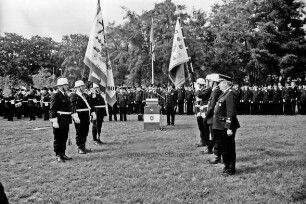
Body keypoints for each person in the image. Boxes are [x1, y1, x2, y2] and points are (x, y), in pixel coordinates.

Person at [212, 75, 240, 176]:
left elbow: (231, 112)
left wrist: (229, 127)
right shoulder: (225, 93)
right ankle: (226, 166)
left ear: (225, 83)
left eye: (219, 83)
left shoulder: (231, 94)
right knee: (224, 148)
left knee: (229, 148)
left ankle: (230, 169)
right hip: (220, 125)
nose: (218, 85)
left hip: (226, 126)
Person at [49, 77, 73, 163]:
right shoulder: (56, 95)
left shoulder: (65, 95)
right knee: (58, 138)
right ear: (60, 86)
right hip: (59, 119)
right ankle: (58, 154)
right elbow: (52, 109)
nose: (67, 86)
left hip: (65, 119)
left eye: (66, 84)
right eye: (65, 85)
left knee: (64, 137)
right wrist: (54, 121)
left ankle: (63, 153)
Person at [70, 80, 95, 154]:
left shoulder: (85, 95)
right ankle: (80, 147)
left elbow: (90, 105)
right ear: (78, 87)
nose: (83, 87)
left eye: (83, 86)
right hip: (79, 115)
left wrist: (92, 113)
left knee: (85, 132)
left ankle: (83, 146)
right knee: (80, 132)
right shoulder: (74, 95)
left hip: (86, 115)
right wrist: (75, 115)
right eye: (82, 86)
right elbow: (73, 106)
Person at [205, 74, 223, 164]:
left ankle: (217, 157)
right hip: (212, 117)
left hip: (213, 118)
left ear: (214, 82)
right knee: (215, 137)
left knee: (215, 138)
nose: (207, 83)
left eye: (209, 81)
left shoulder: (215, 91)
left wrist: (206, 116)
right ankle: (217, 156)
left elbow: (211, 107)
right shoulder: (214, 90)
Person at [194, 78, 212, 148]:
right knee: (200, 126)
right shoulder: (201, 90)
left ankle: (206, 141)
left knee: (204, 126)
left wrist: (197, 89)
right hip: (199, 109)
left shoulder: (208, 90)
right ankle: (203, 140)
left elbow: (199, 95)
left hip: (204, 110)